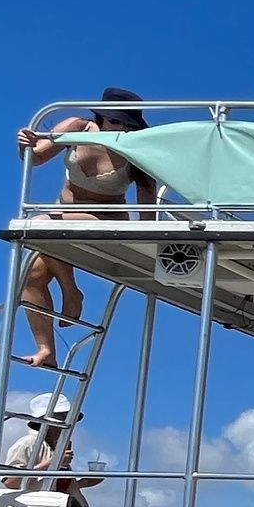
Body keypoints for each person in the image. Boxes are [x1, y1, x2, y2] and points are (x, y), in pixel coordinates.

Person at [12, 91, 156, 367]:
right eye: (117, 121)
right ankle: (46, 349)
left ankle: (71, 293)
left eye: (128, 124)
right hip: (61, 214)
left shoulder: (135, 145)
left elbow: (146, 194)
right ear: (102, 116)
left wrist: (148, 237)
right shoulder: (77, 126)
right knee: (32, 275)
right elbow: (36, 156)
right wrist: (25, 144)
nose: (123, 128)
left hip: (106, 219)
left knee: (42, 225)